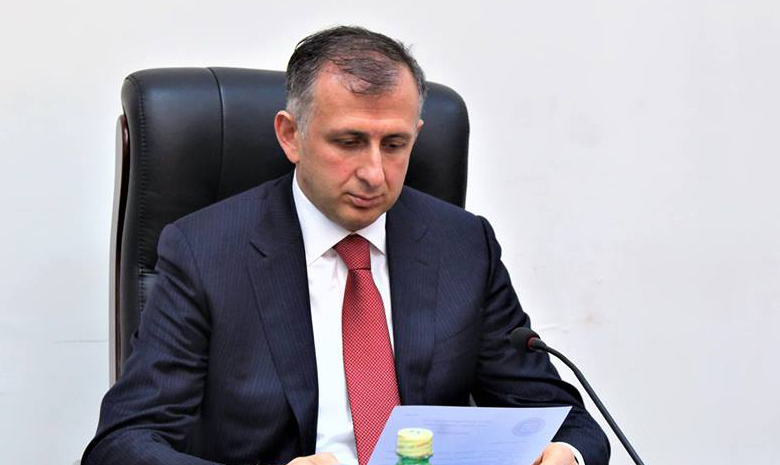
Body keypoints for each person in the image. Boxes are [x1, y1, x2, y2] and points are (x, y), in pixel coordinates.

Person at [82, 26, 609, 465]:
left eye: (395, 144)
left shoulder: (464, 246)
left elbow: (562, 419)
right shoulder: (204, 252)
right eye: (349, 142)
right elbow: (123, 444)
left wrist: (564, 454)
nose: (374, 173)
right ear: (291, 135)